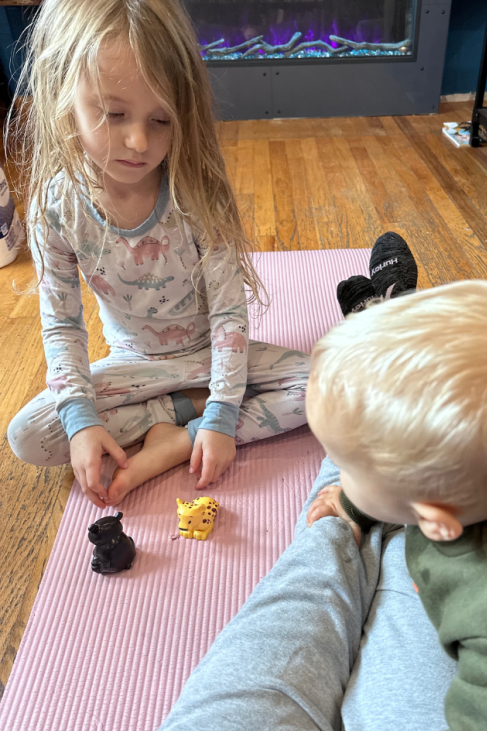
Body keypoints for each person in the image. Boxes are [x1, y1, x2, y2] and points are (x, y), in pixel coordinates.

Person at [93, 277, 487, 731]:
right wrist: (363, 501)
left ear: (436, 523)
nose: (341, 475)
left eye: (350, 467)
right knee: (354, 511)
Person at [7, 0, 310, 509]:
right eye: (113, 113)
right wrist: (81, 421)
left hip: (211, 355)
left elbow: (230, 314)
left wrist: (219, 417)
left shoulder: (194, 192)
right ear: (64, 96)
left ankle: (180, 438)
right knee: (29, 435)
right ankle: (177, 412)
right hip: (134, 368)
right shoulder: (54, 208)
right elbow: (62, 326)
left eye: (161, 119)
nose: (138, 141)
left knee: (327, 386)